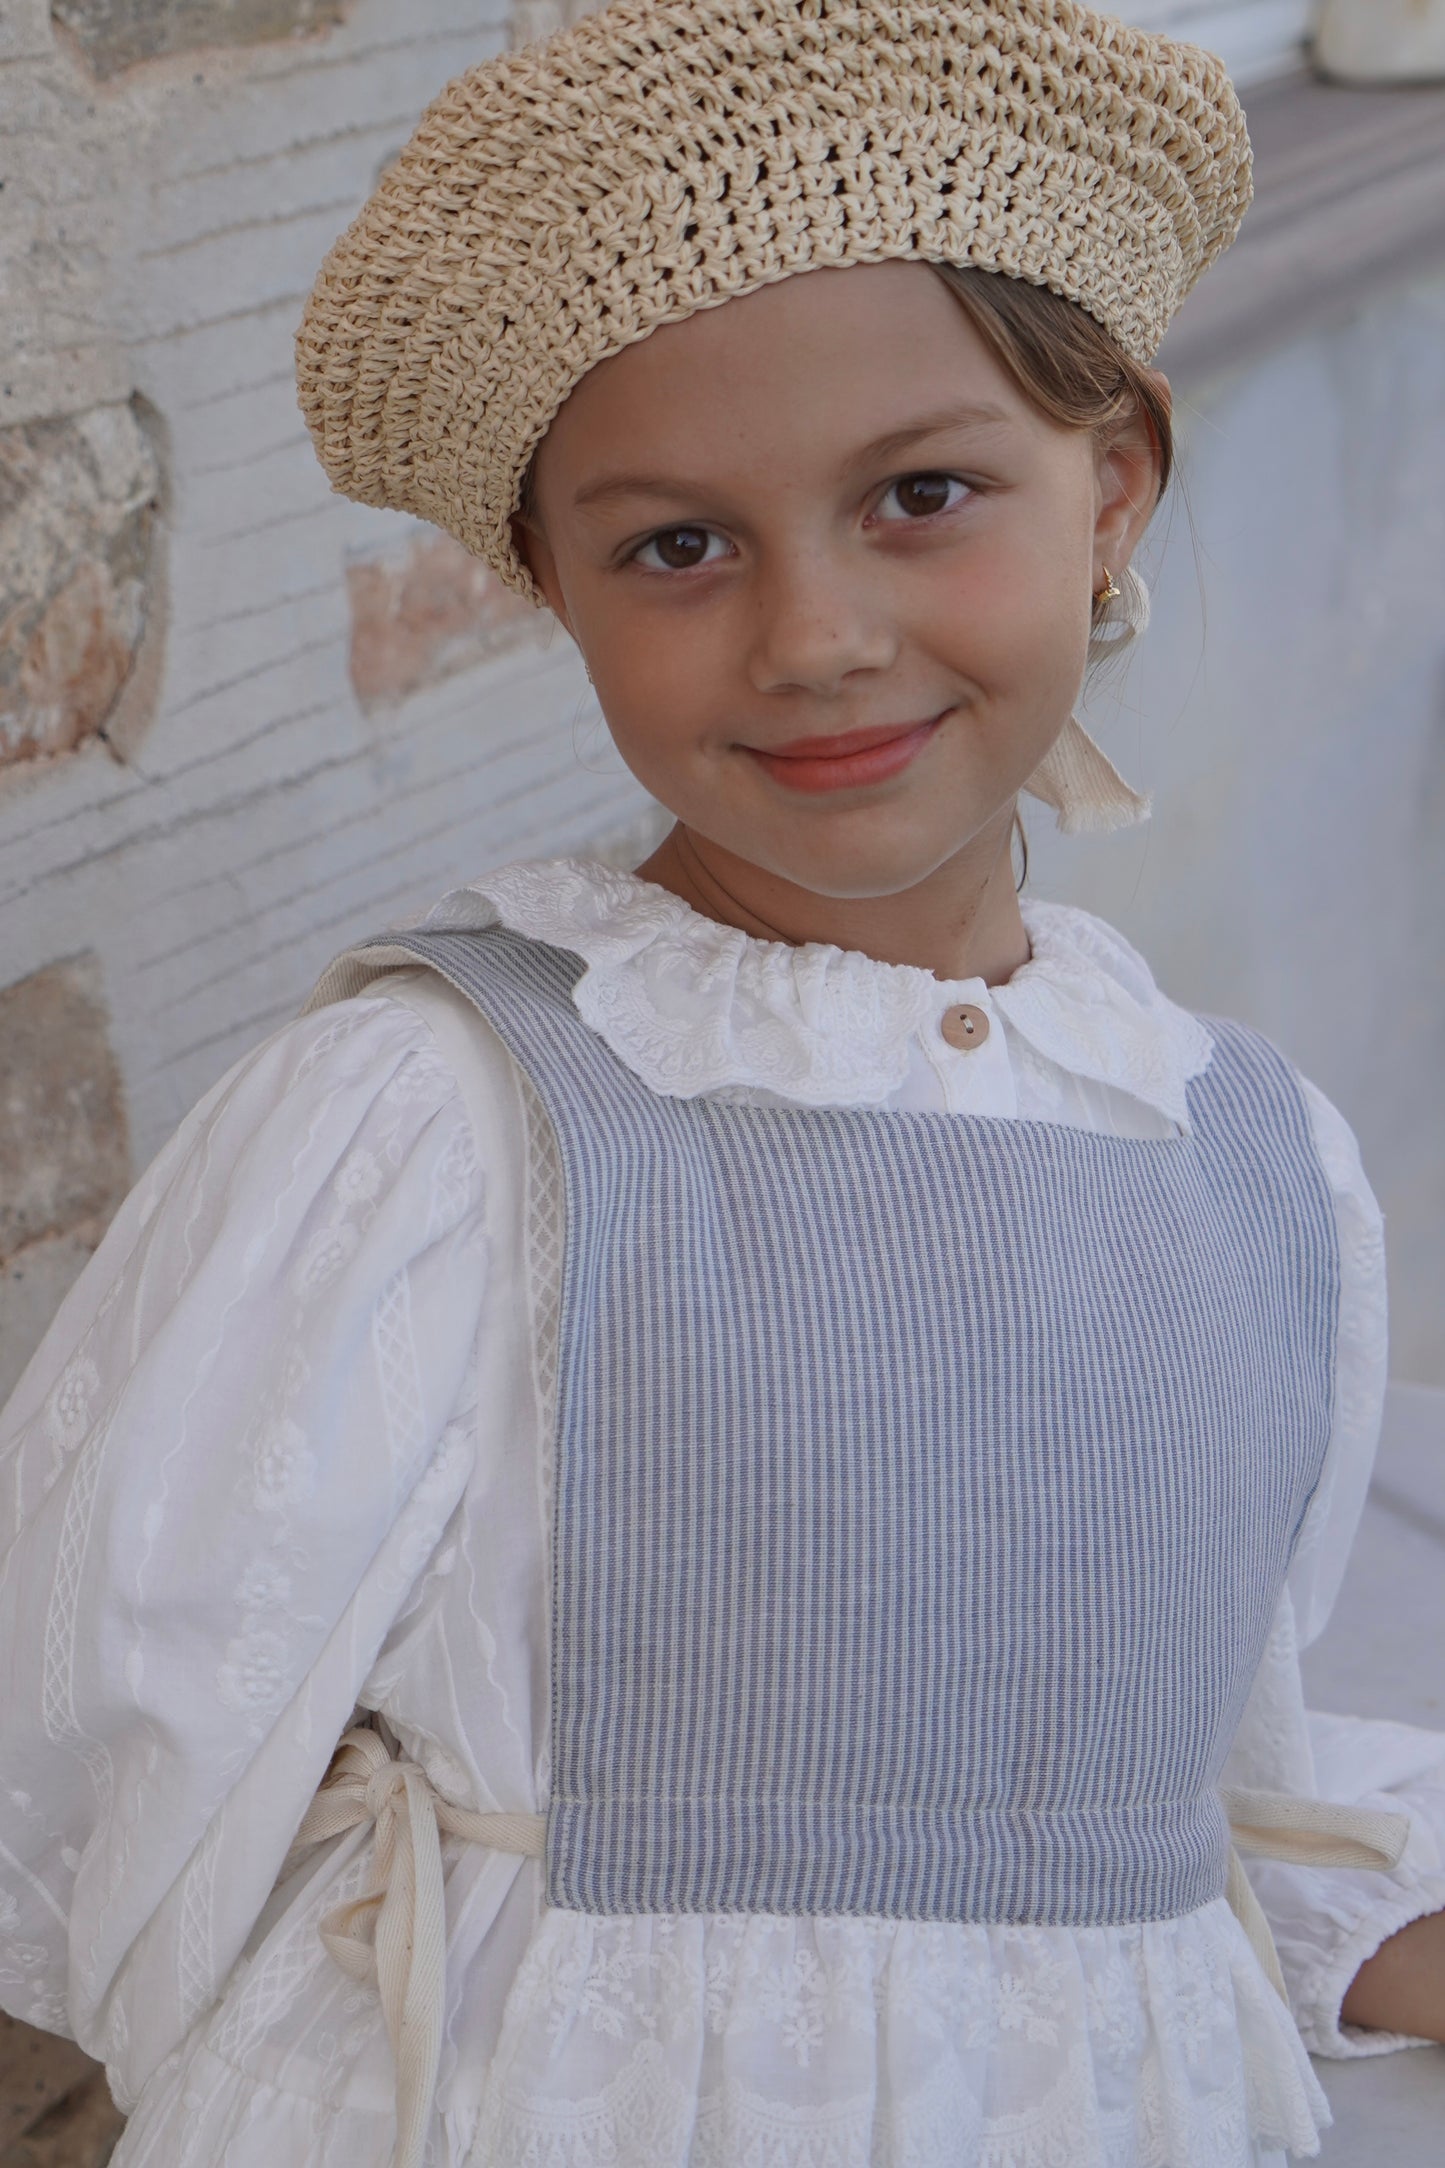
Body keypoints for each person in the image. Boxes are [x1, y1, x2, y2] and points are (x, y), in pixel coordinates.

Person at [2, 2, 1443, 2163]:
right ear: (550, 587)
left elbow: (1189, 1777)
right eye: (677, 545)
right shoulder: (439, 1123)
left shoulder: (1247, 1160)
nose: (813, 636)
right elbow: (88, 1756)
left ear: (1115, 486)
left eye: (923, 495)